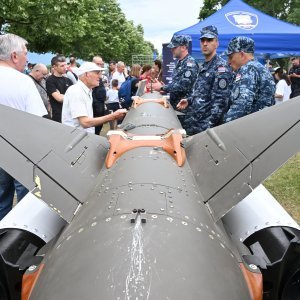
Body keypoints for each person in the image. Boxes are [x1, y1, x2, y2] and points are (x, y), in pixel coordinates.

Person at [0, 33, 47, 220]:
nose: (27, 59)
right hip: (21, 152)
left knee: (1, 200)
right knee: (27, 204)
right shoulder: (23, 82)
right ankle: (21, 246)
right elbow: (37, 123)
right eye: (25, 54)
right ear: (14, 56)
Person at [177, 26, 233, 135]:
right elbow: (201, 93)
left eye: (209, 40)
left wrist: (209, 127)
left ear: (217, 43)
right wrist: (189, 100)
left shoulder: (221, 68)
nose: (205, 43)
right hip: (193, 124)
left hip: (205, 129)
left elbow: (220, 102)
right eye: (202, 40)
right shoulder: (204, 66)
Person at [62, 62, 126, 133]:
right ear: (86, 74)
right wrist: (112, 116)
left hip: (81, 137)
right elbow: (85, 122)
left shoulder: (86, 90)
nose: (100, 76)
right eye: (97, 73)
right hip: (75, 139)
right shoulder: (76, 91)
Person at [223, 36, 275, 123]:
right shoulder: (260, 69)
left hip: (249, 128)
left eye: (231, 57)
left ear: (242, 55)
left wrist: (223, 128)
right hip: (262, 125)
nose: (228, 61)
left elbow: (242, 105)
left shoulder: (248, 69)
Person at [152, 35, 198, 109]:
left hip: (185, 110)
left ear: (183, 47)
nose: (171, 50)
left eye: (174, 47)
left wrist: (162, 87)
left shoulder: (190, 63)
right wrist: (165, 89)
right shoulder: (180, 62)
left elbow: (184, 86)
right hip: (177, 107)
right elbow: (177, 84)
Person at [46, 55, 73, 122]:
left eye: (65, 65)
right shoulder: (50, 80)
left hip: (71, 115)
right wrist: (69, 97)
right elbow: (59, 99)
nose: (65, 68)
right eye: (62, 66)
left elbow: (76, 96)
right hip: (59, 116)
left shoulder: (68, 80)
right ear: (54, 67)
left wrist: (62, 96)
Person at [92, 56, 107, 135]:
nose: (99, 66)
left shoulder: (99, 75)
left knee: (99, 128)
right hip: (94, 108)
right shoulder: (90, 76)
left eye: (101, 64)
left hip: (100, 106)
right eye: (97, 64)